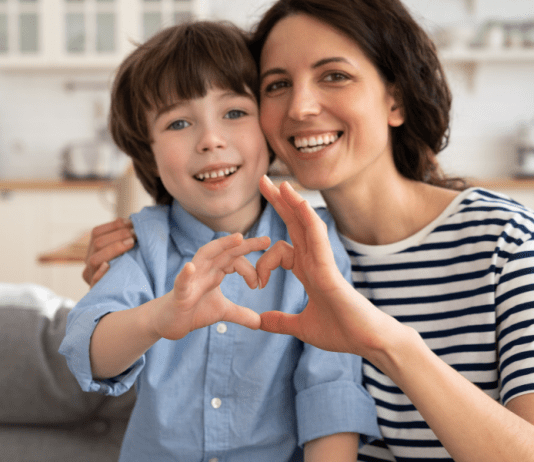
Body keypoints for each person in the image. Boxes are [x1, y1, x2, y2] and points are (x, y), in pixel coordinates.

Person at [86, 0, 534, 461]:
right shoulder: (286, 244)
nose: (300, 107)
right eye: (278, 85)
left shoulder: (504, 242)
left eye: (334, 75)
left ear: (395, 99)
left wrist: (389, 344)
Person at [59, 20, 380, 462]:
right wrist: (157, 318)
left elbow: (330, 394)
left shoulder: (312, 243)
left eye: (234, 113)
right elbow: (87, 351)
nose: (210, 140)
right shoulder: (143, 243)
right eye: (178, 122)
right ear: (146, 148)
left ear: (269, 128)